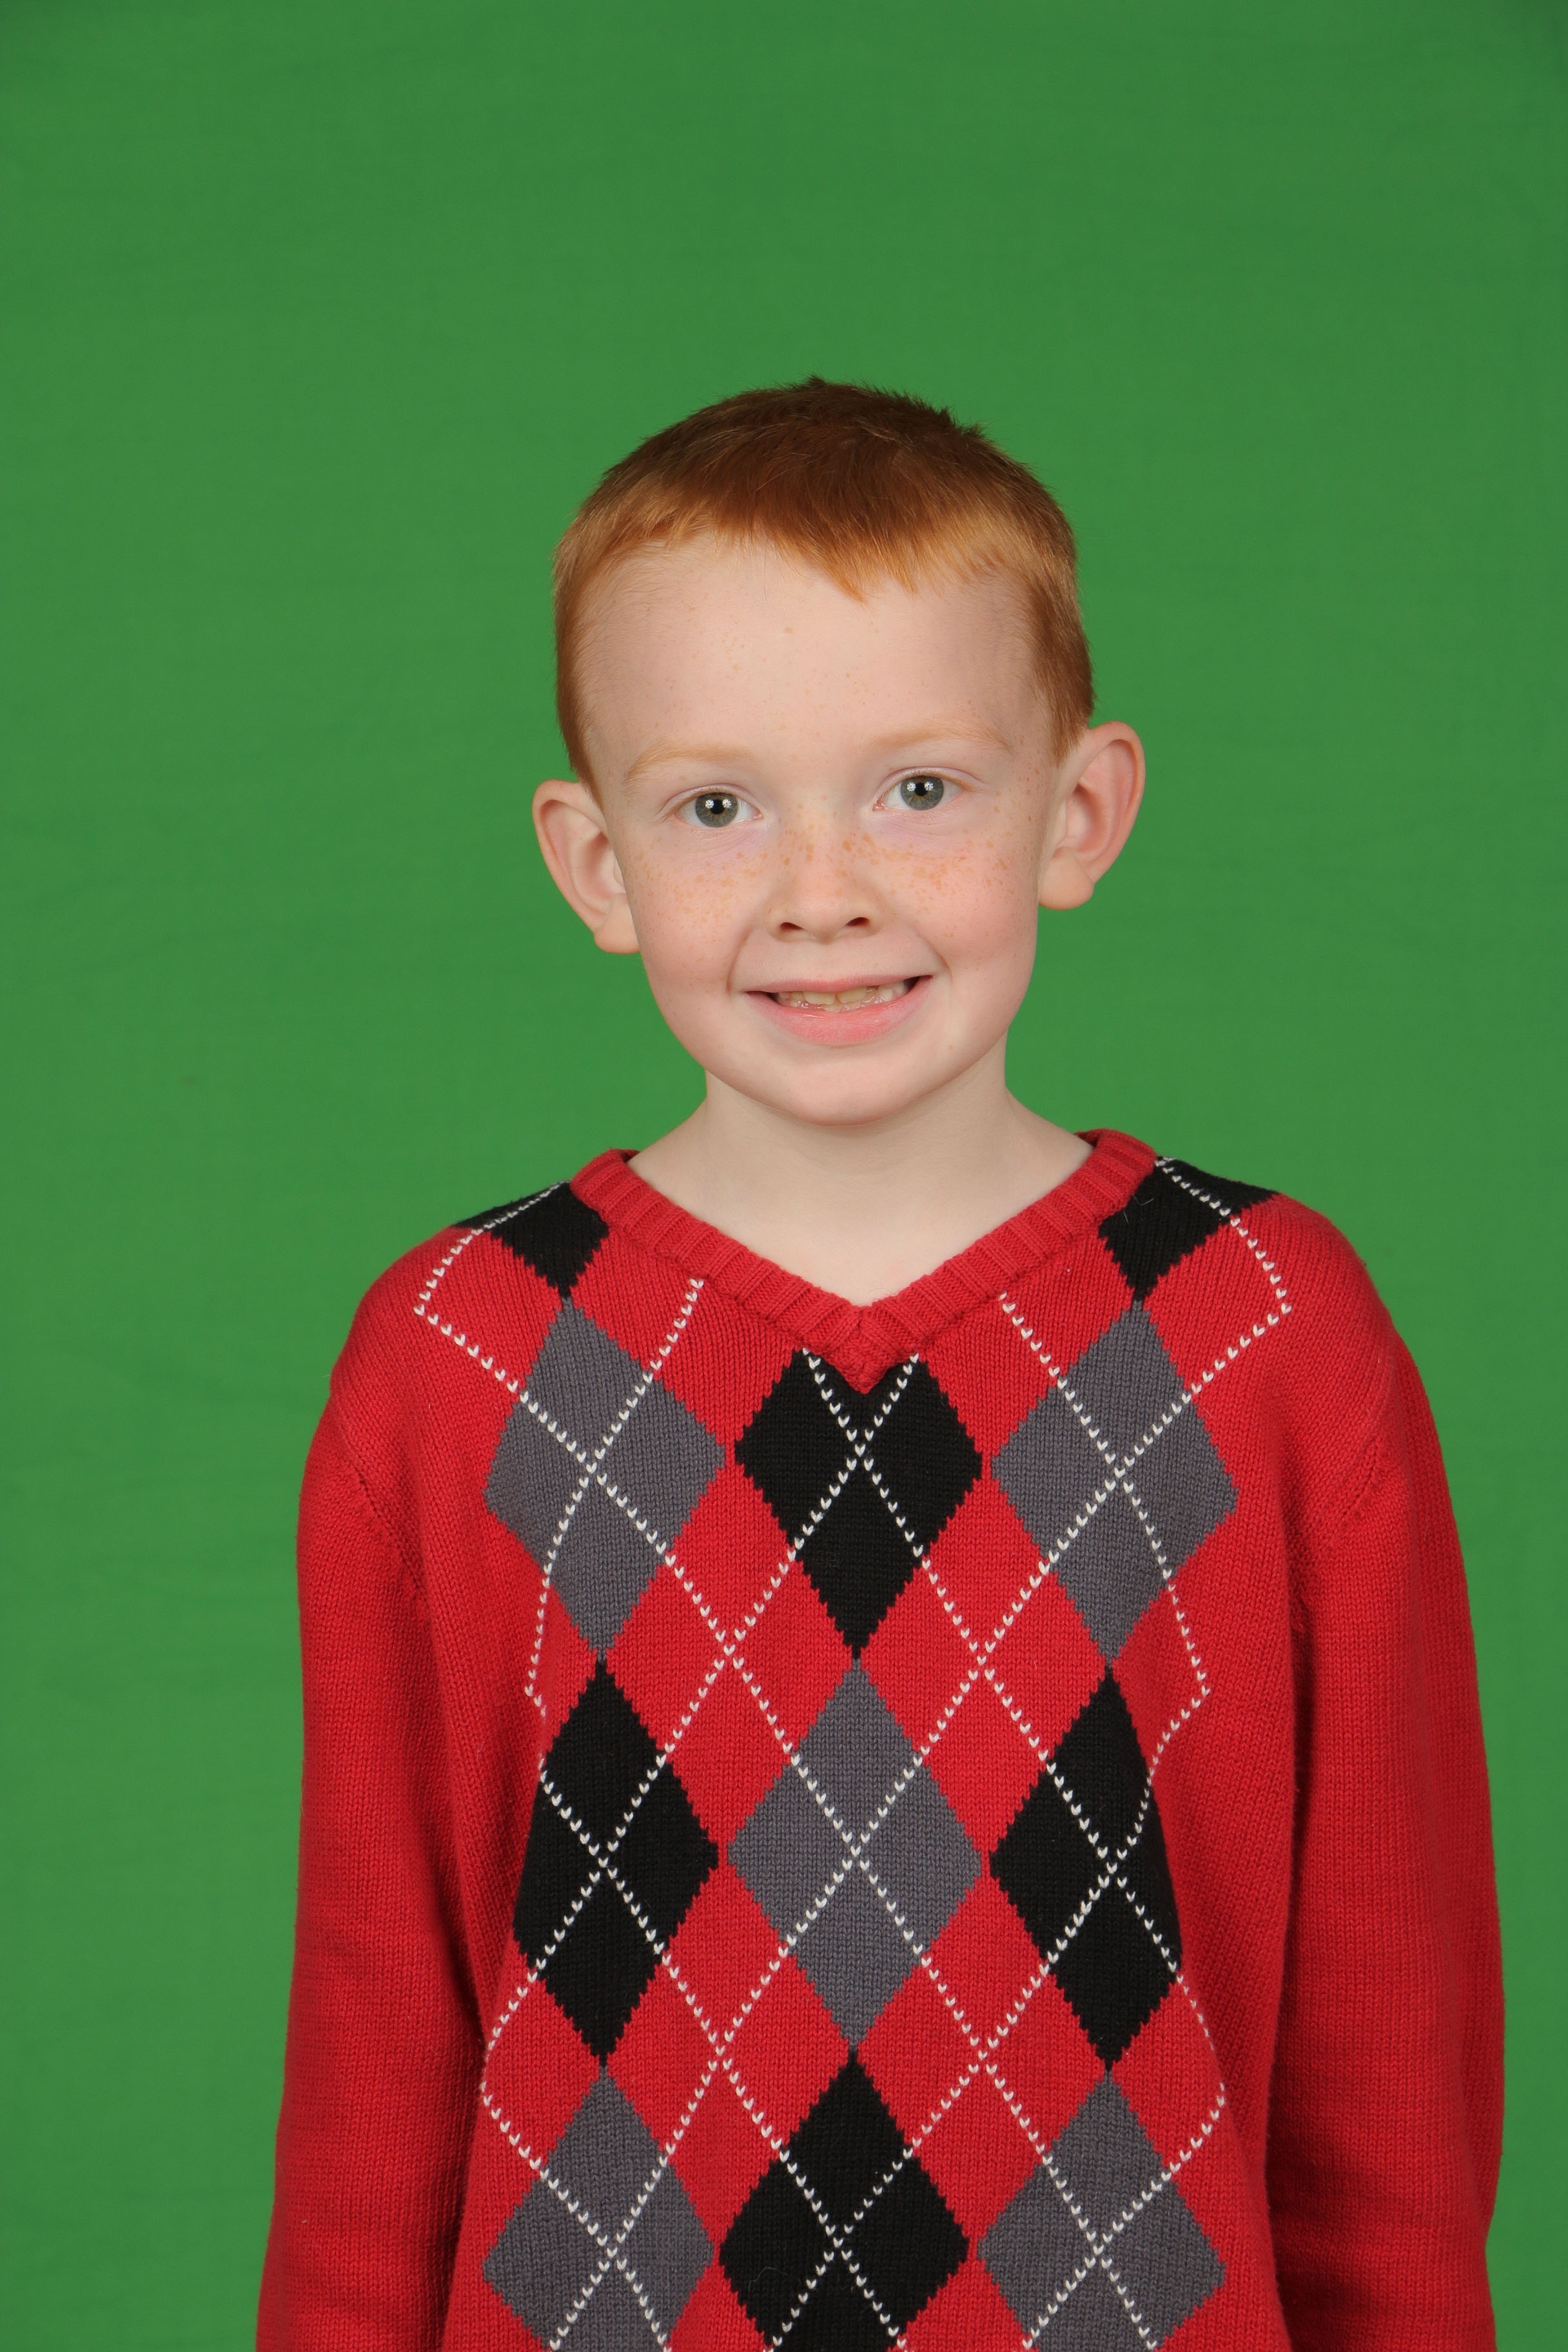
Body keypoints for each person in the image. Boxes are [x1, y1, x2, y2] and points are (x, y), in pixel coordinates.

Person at [259, 380, 1502, 2351]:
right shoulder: (461, 1359)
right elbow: (373, 2076)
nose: (820, 890)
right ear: (594, 862)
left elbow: (1390, 2096)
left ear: (1078, 814)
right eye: (717, 807)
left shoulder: (1265, 1332)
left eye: (920, 791)